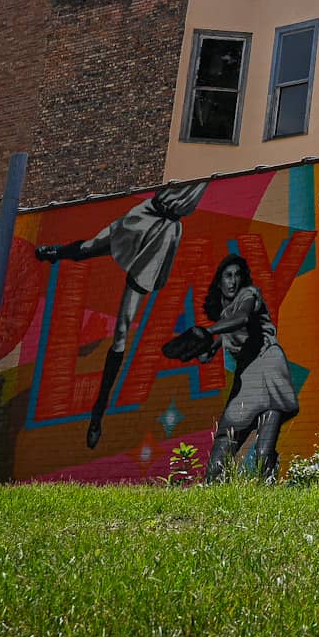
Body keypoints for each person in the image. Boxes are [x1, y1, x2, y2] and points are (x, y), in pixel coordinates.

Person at [35, 181, 207, 449]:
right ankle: (58, 252)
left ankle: (98, 412)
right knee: (88, 247)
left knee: (121, 334)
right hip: (147, 212)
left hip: (163, 234)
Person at [170, 254, 299, 481]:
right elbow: (214, 347)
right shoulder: (224, 316)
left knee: (260, 449)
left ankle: (265, 489)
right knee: (226, 442)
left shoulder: (249, 295)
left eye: (238, 275)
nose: (233, 281)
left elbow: (242, 317)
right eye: (228, 276)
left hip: (267, 364)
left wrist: (208, 332)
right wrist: (200, 349)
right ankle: (216, 489)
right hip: (248, 374)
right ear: (219, 282)